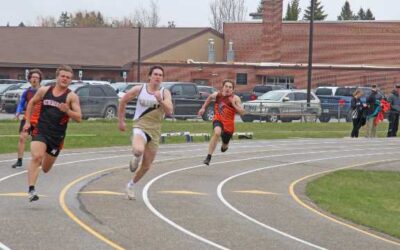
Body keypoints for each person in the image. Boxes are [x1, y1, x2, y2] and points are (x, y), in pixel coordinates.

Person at [24, 65, 82, 202]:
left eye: (68, 77)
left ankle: (44, 156)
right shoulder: (44, 91)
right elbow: (32, 103)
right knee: (37, 157)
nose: (65, 79)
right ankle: (31, 189)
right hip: (41, 130)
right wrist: (27, 122)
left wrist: (67, 111)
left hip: (57, 137)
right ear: (57, 77)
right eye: (62, 76)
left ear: (71, 80)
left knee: (45, 168)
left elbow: (79, 117)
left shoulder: (71, 97)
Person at [118, 66, 173, 200]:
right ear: (149, 76)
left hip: (155, 130)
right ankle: (136, 156)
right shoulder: (139, 89)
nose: (158, 77)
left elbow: (169, 111)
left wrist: (160, 100)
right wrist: (121, 121)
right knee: (138, 150)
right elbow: (123, 101)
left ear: (162, 78)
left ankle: (130, 185)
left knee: (146, 166)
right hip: (140, 125)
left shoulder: (165, 92)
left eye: (160, 75)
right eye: (155, 74)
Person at [198, 79, 245, 166]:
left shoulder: (235, 98)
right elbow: (209, 97)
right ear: (223, 87)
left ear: (233, 90)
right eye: (226, 86)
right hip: (218, 119)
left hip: (228, 126)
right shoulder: (218, 95)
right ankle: (208, 157)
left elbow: (242, 112)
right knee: (217, 133)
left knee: (224, 146)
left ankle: (224, 146)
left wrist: (234, 104)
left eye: (230, 87)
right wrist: (203, 108)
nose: (228, 89)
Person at [11, 69, 43, 168]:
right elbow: (21, 103)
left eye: (37, 78)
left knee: (36, 142)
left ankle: (38, 160)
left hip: (39, 120)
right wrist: (17, 113)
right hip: (27, 119)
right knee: (22, 138)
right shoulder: (27, 92)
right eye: (33, 77)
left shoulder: (43, 91)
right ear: (29, 79)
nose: (35, 79)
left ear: (39, 80)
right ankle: (19, 161)